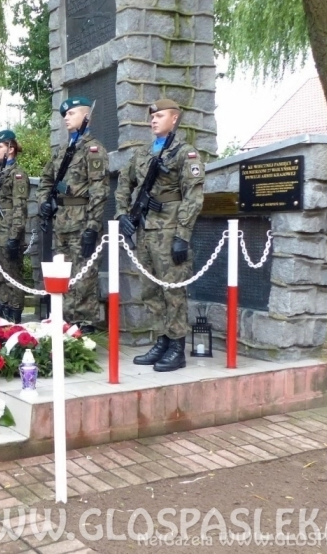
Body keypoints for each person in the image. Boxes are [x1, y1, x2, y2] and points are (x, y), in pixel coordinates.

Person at [114, 99, 205, 372]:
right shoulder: (142, 153)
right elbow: (123, 184)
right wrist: (121, 215)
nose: (153, 120)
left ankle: (177, 347)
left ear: (174, 119)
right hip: (144, 230)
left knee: (173, 290)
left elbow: (194, 196)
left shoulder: (185, 154)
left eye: (160, 115)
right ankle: (162, 340)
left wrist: (183, 235)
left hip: (169, 231)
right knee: (150, 290)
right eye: (152, 116)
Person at [38, 96, 109, 334]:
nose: (66, 118)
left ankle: (85, 324)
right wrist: (44, 203)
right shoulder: (63, 151)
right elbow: (47, 180)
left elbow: (99, 191)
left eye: (72, 114)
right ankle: (66, 322)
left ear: (86, 116)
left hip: (82, 221)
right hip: (62, 222)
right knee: (64, 273)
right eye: (65, 115)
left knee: (84, 274)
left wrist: (92, 226)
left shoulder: (94, 150)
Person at [0, 130, 28, 323]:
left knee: (12, 274)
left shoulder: (17, 174)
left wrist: (15, 236)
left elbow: (20, 207)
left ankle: (14, 313)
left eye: (1, 146)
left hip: (10, 230)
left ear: (11, 149)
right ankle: (1, 312)